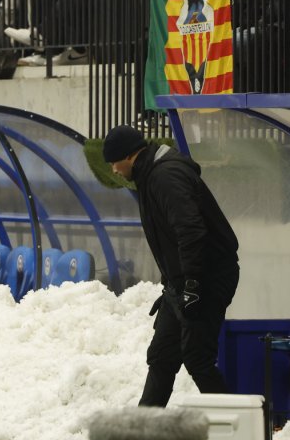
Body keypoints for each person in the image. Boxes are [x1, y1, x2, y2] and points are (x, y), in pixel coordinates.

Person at [102, 125, 240, 406]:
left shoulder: (164, 177)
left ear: (128, 156)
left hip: (207, 278)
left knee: (197, 358)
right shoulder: (151, 175)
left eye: (113, 162)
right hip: (182, 283)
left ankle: (241, 431)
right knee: (162, 355)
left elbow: (190, 230)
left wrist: (192, 284)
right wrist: (177, 284)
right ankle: (145, 434)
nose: (114, 170)